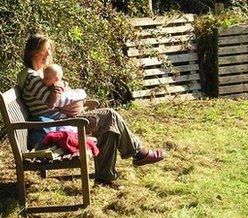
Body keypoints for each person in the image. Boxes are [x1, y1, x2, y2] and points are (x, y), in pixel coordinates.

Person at [17, 34, 165, 188]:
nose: (49, 54)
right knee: (109, 115)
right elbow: (55, 101)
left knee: (109, 124)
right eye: (44, 50)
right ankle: (138, 154)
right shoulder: (31, 77)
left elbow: (59, 97)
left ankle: (106, 177)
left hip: (62, 121)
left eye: (49, 50)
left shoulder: (39, 74)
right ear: (33, 52)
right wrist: (81, 93)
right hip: (59, 126)